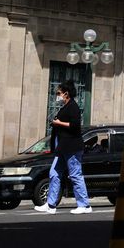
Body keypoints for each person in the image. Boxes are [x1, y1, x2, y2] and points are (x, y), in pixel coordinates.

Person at [35, 80, 91, 214]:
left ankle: (85, 205)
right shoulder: (65, 107)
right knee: (54, 173)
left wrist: (59, 123)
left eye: (59, 93)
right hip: (62, 147)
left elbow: (75, 126)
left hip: (71, 146)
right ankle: (51, 204)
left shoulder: (73, 107)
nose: (57, 95)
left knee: (75, 174)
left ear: (66, 94)